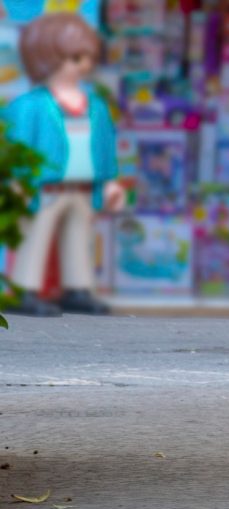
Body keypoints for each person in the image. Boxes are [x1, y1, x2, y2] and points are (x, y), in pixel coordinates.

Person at [4, 13, 124, 316]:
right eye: (74, 57)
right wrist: (16, 182)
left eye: (87, 57)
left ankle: (78, 287)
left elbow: (104, 148)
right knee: (35, 235)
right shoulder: (29, 106)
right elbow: (16, 148)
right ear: (45, 58)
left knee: (79, 237)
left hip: (83, 187)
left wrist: (109, 183)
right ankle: (24, 289)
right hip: (43, 187)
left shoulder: (95, 107)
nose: (83, 65)